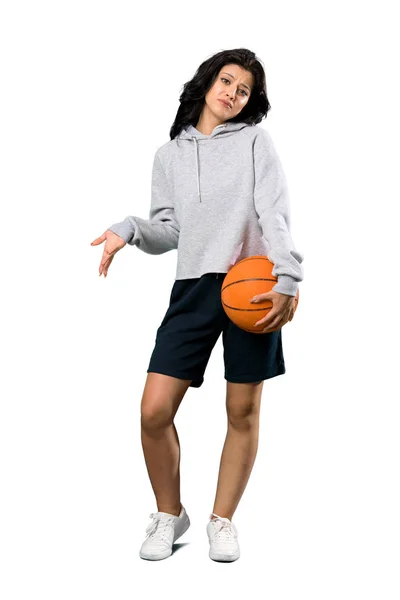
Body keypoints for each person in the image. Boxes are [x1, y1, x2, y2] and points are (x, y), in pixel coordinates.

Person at [90, 48, 304, 562]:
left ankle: (222, 520)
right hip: (192, 287)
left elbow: (273, 213)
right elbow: (169, 231)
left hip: (251, 284)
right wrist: (129, 230)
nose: (231, 93)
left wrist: (289, 276)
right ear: (207, 83)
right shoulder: (169, 156)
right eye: (226, 81)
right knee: (154, 410)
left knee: (242, 409)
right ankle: (170, 513)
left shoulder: (256, 141)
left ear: (251, 101)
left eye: (243, 89)